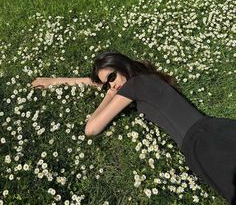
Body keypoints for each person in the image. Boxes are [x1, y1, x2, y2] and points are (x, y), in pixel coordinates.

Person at [31, 51, 236, 204]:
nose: (112, 86)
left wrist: (109, 95)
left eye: (112, 78)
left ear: (122, 66)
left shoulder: (133, 86)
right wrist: (55, 81)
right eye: (107, 84)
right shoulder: (144, 80)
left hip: (203, 145)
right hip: (214, 129)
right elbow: (98, 81)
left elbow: (91, 128)